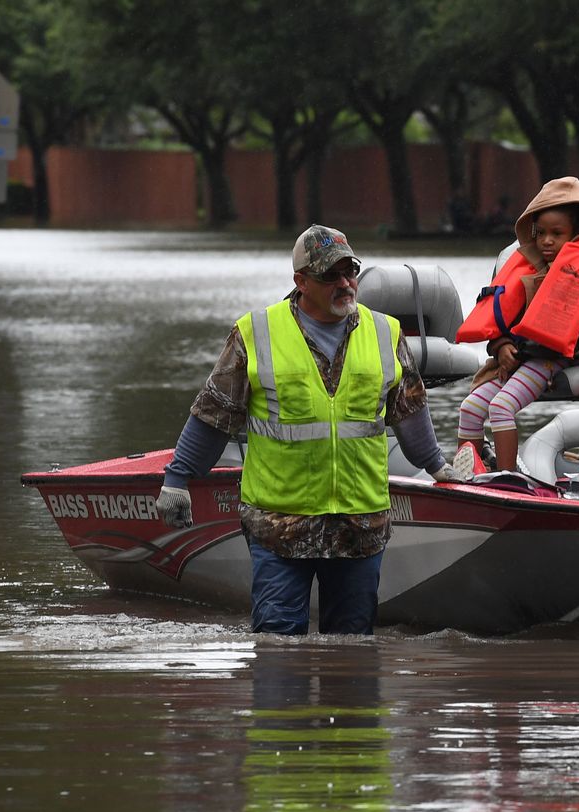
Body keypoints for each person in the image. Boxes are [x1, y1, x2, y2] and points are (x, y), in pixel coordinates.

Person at [154, 225, 452, 636]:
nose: (346, 283)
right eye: (331, 275)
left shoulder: (385, 332)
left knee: (352, 654)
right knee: (277, 648)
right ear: (301, 282)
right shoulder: (255, 334)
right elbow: (213, 415)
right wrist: (177, 479)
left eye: (351, 271)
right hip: (279, 525)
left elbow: (411, 411)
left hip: (359, 525)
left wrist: (438, 466)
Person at [451, 177, 579, 475]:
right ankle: (470, 471)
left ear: (576, 234)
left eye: (557, 234)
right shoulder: (523, 270)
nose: (547, 241)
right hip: (516, 357)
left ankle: (506, 477)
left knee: (501, 408)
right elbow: (502, 320)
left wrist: (522, 351)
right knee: (470, 408)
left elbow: (567, 337)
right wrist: (501, 346)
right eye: (541, 234)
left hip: (551, 360)